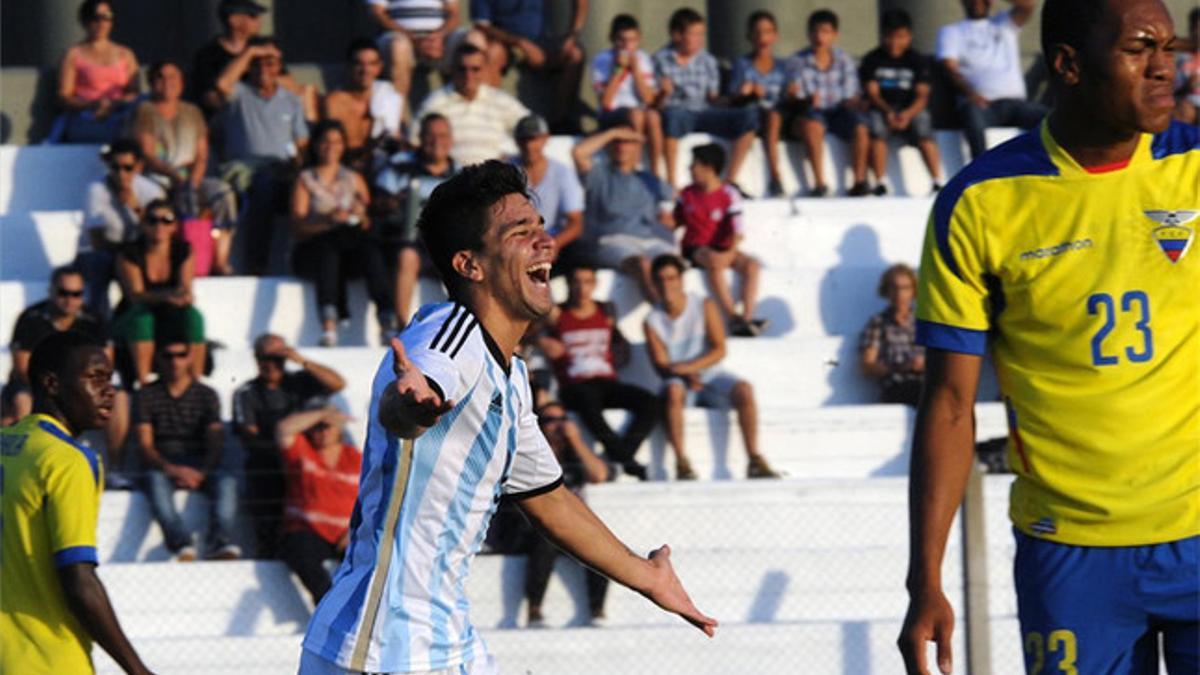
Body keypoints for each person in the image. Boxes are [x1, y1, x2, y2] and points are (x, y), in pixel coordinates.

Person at [298, 161, 717, 674]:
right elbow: (412, 397)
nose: (545, 241)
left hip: (445, 640)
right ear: (470, 265)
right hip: (385, 647)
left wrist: (648, 578)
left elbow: (552, 501)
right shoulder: (449, 334)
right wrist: (409, 405)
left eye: (540, 227)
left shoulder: (512, 378)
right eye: (522, 232)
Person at [898, 1, 1199, 673]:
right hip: (1071, 554)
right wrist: (925, 578)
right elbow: (949, 402)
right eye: (1137, 48)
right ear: (1067, 65)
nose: (1164, 68)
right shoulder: (981, 201)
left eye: (1169, 47)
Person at [0, 332, 156, 675]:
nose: (109, 390)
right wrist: (138, 670)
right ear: (52, 384)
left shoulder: (7, 444)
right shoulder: (67, 461)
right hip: (47, 660)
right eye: (94, 378)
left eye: (110, 379)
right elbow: (78, 580)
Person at [644, 254, 779, 481]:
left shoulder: (702, 305)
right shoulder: (652, 320)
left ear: (681, 280)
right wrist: (687, 374)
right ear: (655, 283)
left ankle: (754, 458)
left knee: (744, 389)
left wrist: (690, 368)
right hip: (680, 380)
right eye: (661, 279)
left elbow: (719, 349)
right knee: (673, 391)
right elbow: (661, 364)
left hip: (708, 375)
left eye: (671, 278)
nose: (667, 284)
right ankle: (681, 461)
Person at [2, 266, 133, 489]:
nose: (69, 300)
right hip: (38, 387)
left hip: (75, 387)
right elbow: (23, 368)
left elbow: (106, 365)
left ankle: (116, 469)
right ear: (51, 291)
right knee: (23, 401)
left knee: (118, 399)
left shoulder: (93, 321)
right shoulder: (31, 319)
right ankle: (28, 467)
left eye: (76, 294)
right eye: (63, 293)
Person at [537, 265, 658, 480]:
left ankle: (621, 457)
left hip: (605, 381)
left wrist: (622, 347)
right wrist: (540, 341)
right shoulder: (558, 315)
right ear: (569, 285)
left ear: (595, 285)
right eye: (577, 282)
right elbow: (528, 331)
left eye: (587, 282)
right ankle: (627, 462)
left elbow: (620, 341)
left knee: (650, 402)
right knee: (587, 399)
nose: (582, 288)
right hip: (574, 385)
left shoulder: (606, 311)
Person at [233, 333, 346, 559]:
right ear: (256, 359)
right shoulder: (247, 393)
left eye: (278, 357)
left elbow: (338, 383)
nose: (271, 364)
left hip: (309, 459)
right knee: (262, 469)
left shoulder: (300, 382)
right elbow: (249, 436)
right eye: (266, 358)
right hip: (273, 459)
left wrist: (301, 360)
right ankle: (270, 548)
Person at [290, 120, 396, 347]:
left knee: (370, 251)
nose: (331, 146)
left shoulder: (354, 179)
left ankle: (387, 323)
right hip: (316, 247)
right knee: (327, 250)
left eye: (337, 142)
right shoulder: (305, 179)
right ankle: (329, 326)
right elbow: (298, 227)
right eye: (326, 141)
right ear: (316, 145)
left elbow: (368, 221)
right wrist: (328, 221)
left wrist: (359, 215)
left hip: (350, 246)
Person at [131, 60, 238, 275]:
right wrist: (175, 176)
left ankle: (219, 259)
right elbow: (148, 153)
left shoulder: (192, 112)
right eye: (161, 77)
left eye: (173, 77)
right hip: (158, 178)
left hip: (192, 178)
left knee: (222, 193)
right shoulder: (145, 111)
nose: (167, 82)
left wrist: (194, 179)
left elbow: (201, 153)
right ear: (152, 82)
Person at [135, 339, 238, 562]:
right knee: (155, 482)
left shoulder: (206, 395)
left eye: (181, 355)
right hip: (163, 463)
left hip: (200, 462)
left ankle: (219, 542)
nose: (175, 361)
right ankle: (180, 543)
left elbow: (216, 441)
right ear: (159, 359)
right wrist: (172, 469)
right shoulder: (146, 395)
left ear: (190, 357)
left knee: (227, 482)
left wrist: (202, 471)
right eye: (168, 356)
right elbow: (145, 445)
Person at [216, 36, 311, 275]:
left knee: (306, 190)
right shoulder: (240, 95)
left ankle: (306, 262)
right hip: (245, 170)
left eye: (270, 63)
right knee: (263, 186)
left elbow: (302, 143)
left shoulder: (291, 100)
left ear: (279, 67)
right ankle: (257, 264)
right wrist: (251, 51)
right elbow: (222, 85)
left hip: (282, 168)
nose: (264, 69)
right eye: (257, 63)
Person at [524, 402, 611, 627]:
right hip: (533, 526)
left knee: (602, 545)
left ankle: (597, 611)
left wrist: (575, 439)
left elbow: (599, 475)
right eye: (551, 421)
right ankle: (534, 611)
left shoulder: (575, 454)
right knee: (545, 543)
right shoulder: (530, 452)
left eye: (563, 419)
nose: (559, 426)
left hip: (572, 525)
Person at [653, 7, 759, 190]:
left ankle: (730, 180)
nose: (700, 39)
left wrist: (739, 97)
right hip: (677, 111)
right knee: (672, 118)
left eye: (702, 34)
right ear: (677, 35)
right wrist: (663, 93)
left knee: (749, 117)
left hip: (705, 110)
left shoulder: (708, 61)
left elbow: (713, 98)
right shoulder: (659, 60)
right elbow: (655, 103)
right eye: (694, 34)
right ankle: (671, 181)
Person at [571, 125, 676, 304]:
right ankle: (661, 309)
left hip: (649, 241)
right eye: (617, 141)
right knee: (641, 264)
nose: (622, 146)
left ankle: (676, 311)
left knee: (672, 265)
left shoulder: (648, 179)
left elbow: (674, 198)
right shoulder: (600, 175)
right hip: (609, 241)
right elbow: (578, 152)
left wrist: (666, 213)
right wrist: (612, 132)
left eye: (628, 142)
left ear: (637, 147)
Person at [673, 143, 767, 338]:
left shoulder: (728, 193)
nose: (690, 169)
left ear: (709, 167)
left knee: (752, 265)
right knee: (715, 262)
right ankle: (733, 317)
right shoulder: (687, 194)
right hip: (695, 247)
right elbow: (676, 220)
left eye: (694, 164)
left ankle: (747, 318)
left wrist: (729, 253)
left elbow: (737, 230)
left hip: (723, 247)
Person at [373, 113, 459, 323]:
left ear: (450, 140)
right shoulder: (399, 165)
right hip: (406, 242)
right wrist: (396, 201)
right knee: (407, 256)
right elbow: (378, 204)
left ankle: (464, 326)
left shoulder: (461, 175)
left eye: (442, 135)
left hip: (445, 246)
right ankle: (403, 327)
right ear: (420, 137)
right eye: (430, 135)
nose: (436, 141)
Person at [110, 200, 207, 386]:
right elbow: (135, 296)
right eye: (152, 220)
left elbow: (185, 288)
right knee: (142, 319)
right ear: (144, 224)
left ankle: (196, 381)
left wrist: (182, 297)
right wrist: (168, 296)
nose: (159, 226)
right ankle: (143, 381)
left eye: (166, 220)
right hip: (131, 315)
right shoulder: (129, 253)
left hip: (168, 314)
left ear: (175, 225)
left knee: (194, 317)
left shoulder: (183, 250)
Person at [936, 0, 1048, 160]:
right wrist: (971, 94)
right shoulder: (951, 31)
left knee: (1049, 119)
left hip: (1016, 105)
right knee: (972, 117)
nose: (977, 2)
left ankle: (1048, 167)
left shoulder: (1004, 24)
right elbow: (949, 68)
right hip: (981, 105)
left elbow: (1028, 5)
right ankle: (980, 170)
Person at [275, 401, 362, 604]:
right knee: (303, 555)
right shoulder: (302, 451)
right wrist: (324, 413)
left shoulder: (354, 458)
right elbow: (284, 429)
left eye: (326, 426)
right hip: (307, 531)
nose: (321, 432)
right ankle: (328, 610)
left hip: (345, 535)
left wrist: (353, 530)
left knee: (367, 561)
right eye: (316, 426)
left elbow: (370, 500)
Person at [784, 9, 873, 197]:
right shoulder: (796, 61)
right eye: (815, 31)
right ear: (808, 34)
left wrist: (856, 104)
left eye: (825, 31)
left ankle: (858, 181)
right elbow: (795, 96)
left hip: (839, 110)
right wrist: (803, 99)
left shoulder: (844, 60)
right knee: (812, 125)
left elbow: (850, 94)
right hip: (811, 112)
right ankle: (819, 184)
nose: (819, 37)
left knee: (860, 126)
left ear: (835, 35)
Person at [75, 140, 167, 319]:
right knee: (101, 263)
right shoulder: (96, 190)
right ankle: (98, 322)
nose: (121, 174)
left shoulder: (151, 192)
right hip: (98, 254)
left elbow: (161, 231)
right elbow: (97, 241)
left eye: (127, 167)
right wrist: (125, 257)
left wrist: (135, 208)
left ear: (139, 166)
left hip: (135, 253)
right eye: (115, 167)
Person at [860, 9, 945, 195]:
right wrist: (888, 111)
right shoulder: (872, 59)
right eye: (890, 37)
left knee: (924, 128)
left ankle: (937, 180)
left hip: (911, 110)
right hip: (883, 109)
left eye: (900, 37)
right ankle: (880, 182)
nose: (895, 42)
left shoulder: (917, 60)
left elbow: (922, 96)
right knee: (876, 130)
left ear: (909, 36)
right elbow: (872, 93)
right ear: (882, 36)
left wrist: (907, 114)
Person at [470, 0, 587, 132]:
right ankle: (489, 120)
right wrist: (520, 42)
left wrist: (573, 34)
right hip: (506, 42)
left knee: (575, 54)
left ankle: (559, 123)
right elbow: (481, 25)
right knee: (492, 53)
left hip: (542, 41)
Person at [190, 0, 317, 120]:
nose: (259, 21)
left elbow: (291, 86)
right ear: (234, 20)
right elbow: (211, 99)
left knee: (306, 94)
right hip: (231, 119)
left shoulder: (264, 47)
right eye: (252, 16)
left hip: (269, 111)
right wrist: (249, 54)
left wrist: (264, 78)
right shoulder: (208, 55)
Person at [411, 43, 530, 167]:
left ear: (485, 70)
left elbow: (532, 130)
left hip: (494, 180)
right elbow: (413, 141)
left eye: (475, 69)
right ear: (452, 70)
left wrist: (512, 156)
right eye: (462, 69)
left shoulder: (501, 100)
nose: (468, 75)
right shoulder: (435, 102)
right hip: (450, 180)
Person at [50, 0, 140, 144]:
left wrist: (113, 104)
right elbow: (63, 96)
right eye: (95, 18)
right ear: (85, 21)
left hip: (120, 113)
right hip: (86, 116)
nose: (101, 23)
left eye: (107, 16)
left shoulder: (125, 54)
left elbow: (134, 92)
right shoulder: (73, 54)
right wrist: (92, 105)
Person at [591, 14, 663, 177]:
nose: (627, 46)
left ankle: (655, 171)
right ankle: (634, 166)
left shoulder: (643, 59)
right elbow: (605, 102)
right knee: (637, 115)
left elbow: (649, 100)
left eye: (632, 40)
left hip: (638, 111)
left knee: (653, 117)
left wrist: (635, 69)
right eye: (622, 40)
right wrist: (618, 70)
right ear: (612, 39)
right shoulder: (601, 61)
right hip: (612, 114)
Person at [728, 10, 790, 198]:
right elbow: (733, 95)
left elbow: (790, 96)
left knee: (773, 116)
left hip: (779, 118)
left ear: (775, 35)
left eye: (767, 32)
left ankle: (775, 175)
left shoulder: (784, 66)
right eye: (757, 32)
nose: (762, 38)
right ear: (750, 36)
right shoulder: (742, 64)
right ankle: (731, 178)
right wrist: (745, 91)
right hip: (753, 113)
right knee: (752, 119)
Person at [365, 0, 482, 98]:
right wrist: (412, 39)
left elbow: (454, 13)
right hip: (400, 38)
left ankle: (469, 114)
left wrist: (439, 37)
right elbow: (377, 13)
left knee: (475, 39)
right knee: (398, 46)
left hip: (439, 41)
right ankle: (397, 121)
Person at [321, 39, 404, 177]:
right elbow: (332, 146)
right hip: (344, 170)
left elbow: (396, 139)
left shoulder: (389, 98)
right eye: (359, 63)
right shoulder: (334, 102)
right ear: (348, 66)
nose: (365, 70)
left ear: (380, 67)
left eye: (372, 64)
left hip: (383, 170)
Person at [512, 114, 584, 253]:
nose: (529, 146)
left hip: (552, 240)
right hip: (516, 245)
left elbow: (576, 222)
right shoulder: (506, 171)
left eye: (533, 139)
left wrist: (554, 245)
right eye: (524, 140)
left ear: (545, 139)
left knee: (582, 273)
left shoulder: (562, 172)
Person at [858, 263, 924, 406]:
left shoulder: (924, 322)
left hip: (924, 383)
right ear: (886, 291)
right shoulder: (878, 323)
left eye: (906, 288)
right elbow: (867, 365)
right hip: (896, 386)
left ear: (913, 291)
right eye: (894, 288)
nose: (900, 294)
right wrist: (900, 367)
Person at [1174, 7, 1199, 125]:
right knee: (1184, 110)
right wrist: (1187, 86)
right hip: (1188, 105)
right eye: (1195, 28)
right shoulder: (1183, 60)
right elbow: (1174, 91)